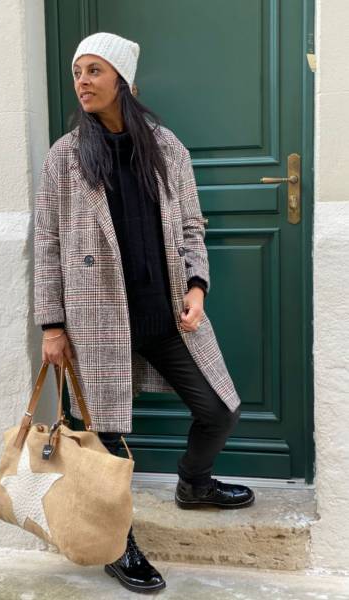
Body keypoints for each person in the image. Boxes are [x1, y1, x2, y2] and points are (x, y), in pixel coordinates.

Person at [34, 31, 254, 595]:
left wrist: (198, 288)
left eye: (94, 71)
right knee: (104, 442)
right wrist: (52, 325)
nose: (81, 80)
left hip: (163, 317)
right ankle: (117, 544)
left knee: (219, 409)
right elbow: (49, 245)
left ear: (124, 82)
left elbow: (190, 227)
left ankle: (194, 484)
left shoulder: (165, 146)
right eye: (77, 71)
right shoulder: (65, 157)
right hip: (96, 321)